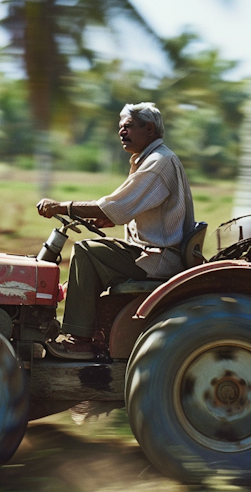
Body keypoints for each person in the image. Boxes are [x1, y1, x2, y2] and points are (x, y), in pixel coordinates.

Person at [36, 102, 195, 359]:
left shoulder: (158, 162)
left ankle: (80, 339)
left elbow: (115, 205)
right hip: (149, 250)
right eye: (120, 127)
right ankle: (92, 328)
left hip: (157, 258)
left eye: (129, 127)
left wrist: (62, 207)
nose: (122, 132)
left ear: (150, 128)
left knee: (86, 252)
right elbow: (133, 206)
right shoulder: (150, 159)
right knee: (93, 252)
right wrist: (110, 220)